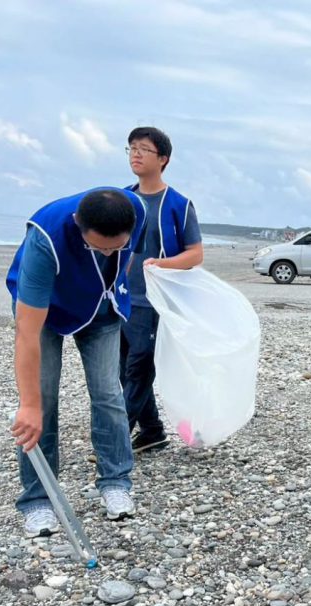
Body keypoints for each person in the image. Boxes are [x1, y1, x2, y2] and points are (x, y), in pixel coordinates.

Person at [7, 188, 146, 536]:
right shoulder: (46, 240)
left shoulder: (136, 211)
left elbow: (123, 262)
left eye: (116, 247)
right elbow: (27, 333)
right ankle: (38, 500)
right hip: (46, 310)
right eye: (99, 248)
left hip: (102, 308)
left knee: (108, 395)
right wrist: (28, 404)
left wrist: (113, 272)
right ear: (77, 225)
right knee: (43, 402)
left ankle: (116, 483)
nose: (108, 253)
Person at [121, 127, 204, 453]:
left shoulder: (178, 205)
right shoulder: (123, 199)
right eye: (130, 149)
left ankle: (114, 439)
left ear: (163, 159)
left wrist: (160, 265)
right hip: (122, 300)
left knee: (138, 368)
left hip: (157, 302)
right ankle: (153, 430)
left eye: (143, 149)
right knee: (122, 368)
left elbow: (195, 254)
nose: (135, 154)